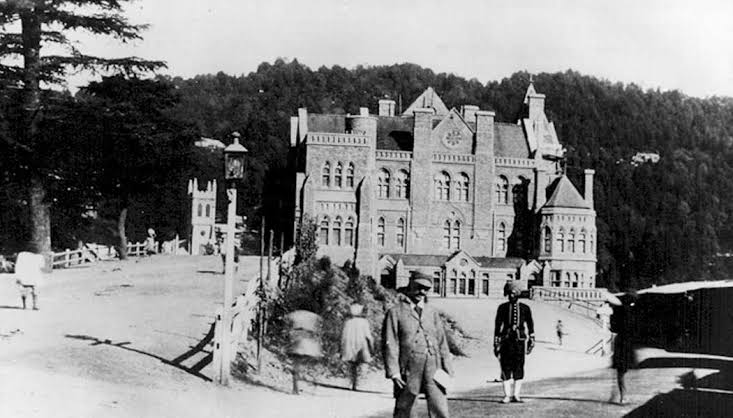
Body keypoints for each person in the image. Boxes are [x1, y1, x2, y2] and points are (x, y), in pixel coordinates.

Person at [382, 271, 453, 418]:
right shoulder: (395, 312)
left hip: (434, 366)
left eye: (426, 289)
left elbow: (442, 341)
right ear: (410, 285)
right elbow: (390, 343)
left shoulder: (432, 312)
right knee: (406, 408)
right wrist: (394, 372)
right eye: (419, 287)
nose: (422, 292)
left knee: (439, 405)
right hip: (409, 366)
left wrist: (447, 367)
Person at [494, 280, 535, 404]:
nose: (512, 296)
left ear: (518, 294)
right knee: (505, 366)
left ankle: (516, 395)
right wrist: (496, 342)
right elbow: (497, 325)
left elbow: (530, 324)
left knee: (519, 366)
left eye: (515, 294)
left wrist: (532, 338)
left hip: (519, 341)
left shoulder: (525, 308)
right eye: (510, 294)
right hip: (506, 340)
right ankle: (507, 395)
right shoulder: (502, 308)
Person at [609, 292, 637, 405]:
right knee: (623, 371)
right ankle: (622, 396)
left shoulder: (618, 311)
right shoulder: (632, 313)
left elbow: (613, 327)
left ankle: (622, 396)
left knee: (620, 373)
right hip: (628, 343)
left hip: (621, 342)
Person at [286, 309, 323, 395]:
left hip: (296, 340)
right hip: (307, 343)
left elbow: (288, 326)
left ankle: (295, 388)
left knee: (296, 364)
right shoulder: (313, 316)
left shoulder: (294, 314)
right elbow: (316, 331)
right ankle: (308, 380)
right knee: (309, 362)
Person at [341, 303, 373, 391]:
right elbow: (368, 336)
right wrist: (371, 346)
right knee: (363, 364)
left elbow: (343, 336)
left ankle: (352, 382)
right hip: (362, 345)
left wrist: (341, 347)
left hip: (349, 345)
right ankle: (359, 383)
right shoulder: (364, 322)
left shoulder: (348, 322)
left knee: (351, 365)